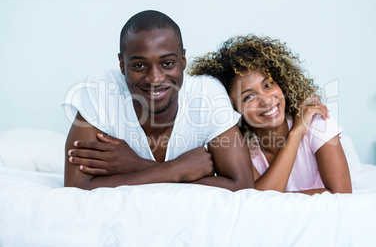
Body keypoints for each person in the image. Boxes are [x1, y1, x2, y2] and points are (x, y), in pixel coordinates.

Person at [63, 10, 254, 191]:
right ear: (122, 65)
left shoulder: (206, 93)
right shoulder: (102, 89)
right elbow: (76, 186)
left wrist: (137, 166)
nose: (155, 79)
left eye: (167, 63)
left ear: (183, 59)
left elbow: (242, 185)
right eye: (139, 65)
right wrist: (175, 170)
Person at [189, 35, 352, 195]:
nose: (266, 101)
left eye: (268, 85)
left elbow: (342, 195)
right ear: (233, 110)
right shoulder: (240, 147)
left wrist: (275, 196)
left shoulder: (316, 120)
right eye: (249, 97)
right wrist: (295, 134)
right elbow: (258, 201)